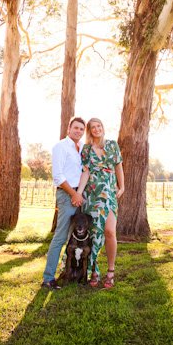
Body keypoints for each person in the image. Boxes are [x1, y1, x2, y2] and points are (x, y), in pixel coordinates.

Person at [76, 118, 124, 289]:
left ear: (103, 128)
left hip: (109, 194)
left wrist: (122, 186)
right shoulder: (87, 149)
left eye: (99, 126)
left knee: (110, 232)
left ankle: (111, 271)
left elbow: (118, 166)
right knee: (95, 234)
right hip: (92, 195)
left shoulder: (112, 145)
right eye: (93, 127)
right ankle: (94, 271)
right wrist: (79, 193)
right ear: (90, 131)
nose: (96, 129)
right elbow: (86, 173)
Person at [41, 116, 86, 290]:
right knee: (60, 236)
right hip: (67, 194)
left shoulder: (82, 147)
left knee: (76, 236)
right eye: (76, 128)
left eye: (81, 129)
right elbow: (58, 177)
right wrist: (73, 194)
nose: (78, 131)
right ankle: (48, 278)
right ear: (69, 129)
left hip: (79, 194)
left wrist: (79, 194)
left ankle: (68, 271)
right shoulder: (60, 147)